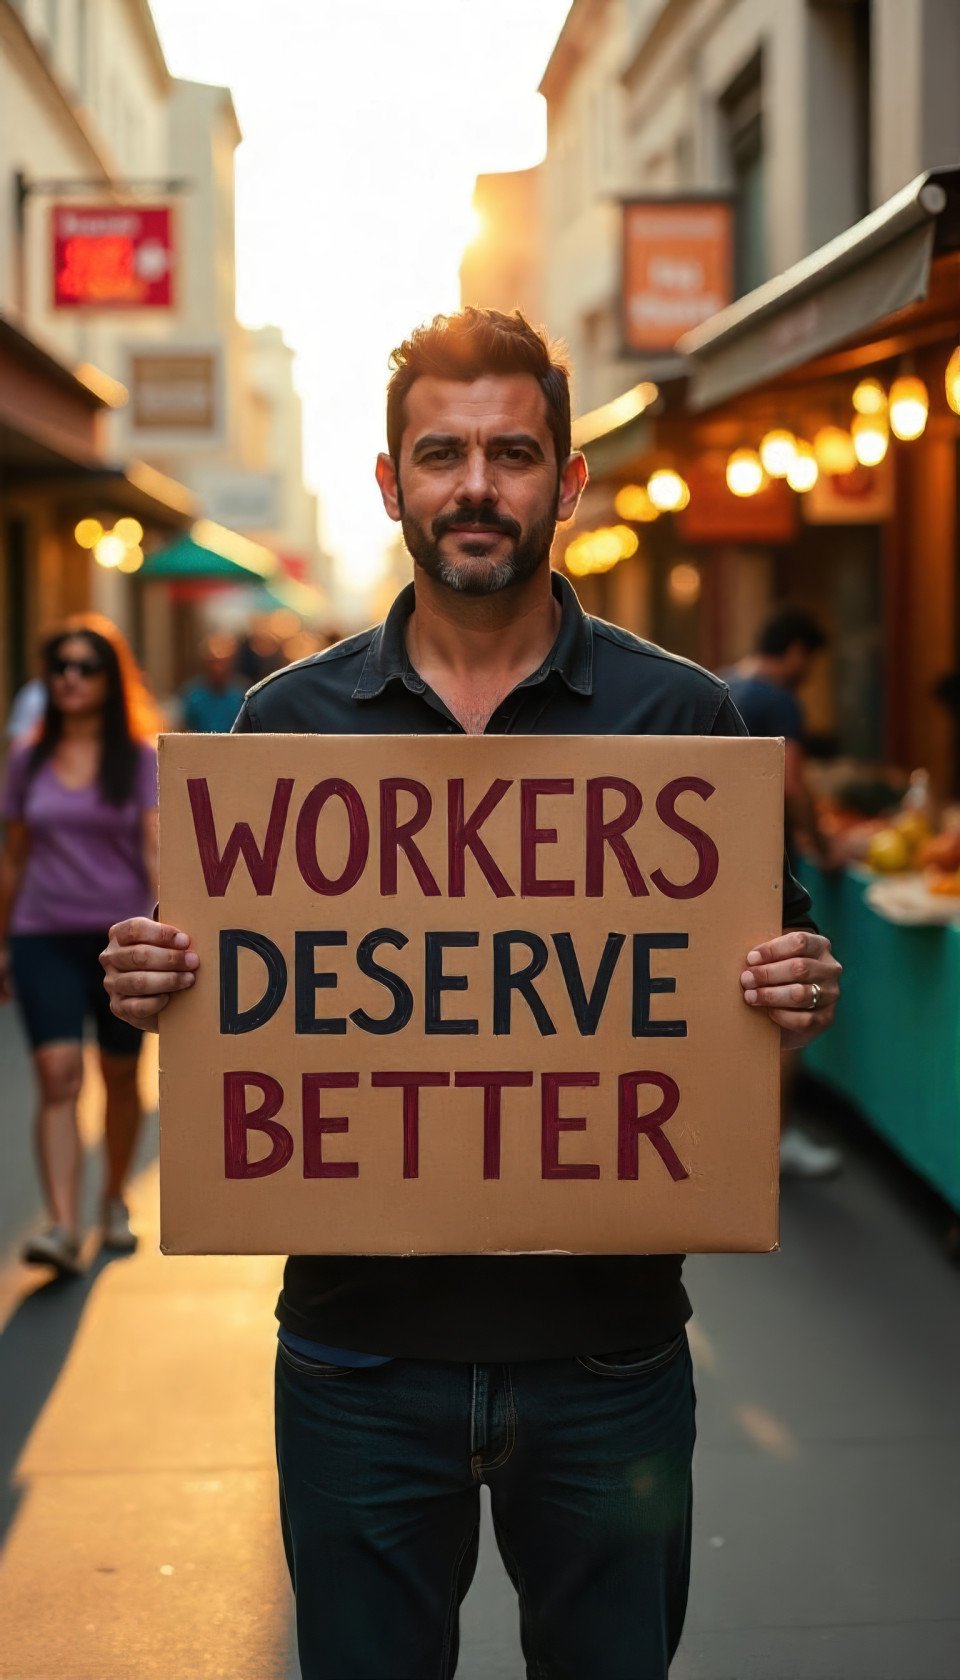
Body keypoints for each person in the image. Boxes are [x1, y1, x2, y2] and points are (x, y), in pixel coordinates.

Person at [101, 309, 841, 1680]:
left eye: (512, 452)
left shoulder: (684, 724)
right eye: (442, 453)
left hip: (609, 1362)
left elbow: (758, 986)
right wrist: (165, 979)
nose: (476, 486)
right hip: (355, 1366)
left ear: (567, 481)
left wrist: (796, 987)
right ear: (392, 485)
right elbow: (247, 979)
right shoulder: (284, 728)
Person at [0, 616, 161, 1274]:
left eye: (85, 666)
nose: (70, 677)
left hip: (119, 940)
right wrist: (3, 939)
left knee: (120, 1078)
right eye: (59, 666)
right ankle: (63, 1226)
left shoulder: (141, 757)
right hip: (42, 932)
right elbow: (13, 856)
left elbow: (156, 852)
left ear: (110, 678)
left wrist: (164, 932)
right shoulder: (26, 757)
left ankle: (113, 1199)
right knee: (56, 1076)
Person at [724, 608, 843, 1180]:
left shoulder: (721, 684)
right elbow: (792, 783)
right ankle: (775, 1138)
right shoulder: (778, 698)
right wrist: (822, 845)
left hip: (717, 869)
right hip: (769, 866)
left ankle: (733, 1131)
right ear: (797, 651)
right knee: (783, 998)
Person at [179, 634, 247, 734]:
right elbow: (183, 728)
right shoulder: (191, 694)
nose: (218, 668)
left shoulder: (242, 693)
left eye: (223, 662)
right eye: (214, 662)